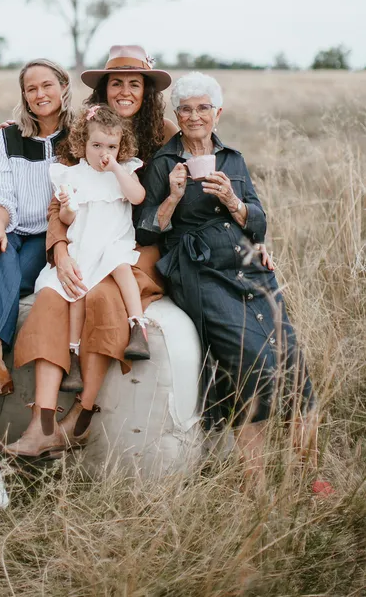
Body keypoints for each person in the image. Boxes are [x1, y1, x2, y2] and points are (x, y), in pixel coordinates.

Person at [135, 72, 315, 478]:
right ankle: (256, 481)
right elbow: (144, 228)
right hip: (200, 269)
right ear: (175, 114)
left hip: (249, 265)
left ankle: (308, 475)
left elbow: (259, 222)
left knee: (292, 361)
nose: (194, 116)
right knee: (252, 361)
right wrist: (173, 198)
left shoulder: (232, 158)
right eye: (185, 109)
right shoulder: (164, 162)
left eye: (203, 108)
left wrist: (234, 201)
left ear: (218, 112)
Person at [8, 45, 177, 458]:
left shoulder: (165, 134)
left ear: (147, 91)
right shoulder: (84, 133)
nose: (124, 91)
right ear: (102, 89)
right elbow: (61, 200)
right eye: (115, 82)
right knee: (53, 296)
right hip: (82, 240)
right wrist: (60, 250)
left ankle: (79, 419)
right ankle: (41, 423)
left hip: (138, 247)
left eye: (133, 84)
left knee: (102, 297)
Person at [0, 59, 74, 401]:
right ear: (24, 97)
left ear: (64, 87)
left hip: (50, 236)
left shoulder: (79, 136)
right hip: (12, 228)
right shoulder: (9, 136)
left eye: (47, 85)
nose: (40, 94)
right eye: (31, 89)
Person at [35, 105, 152, 399]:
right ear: (81, 144)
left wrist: (115, 167)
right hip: (85, 243)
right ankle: (73, 355)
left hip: (114, 241)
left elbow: (138, 197)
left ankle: (138, 327)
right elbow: (67, 221)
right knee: (78, 290)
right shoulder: (71, 175)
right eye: (97, 145)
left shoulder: (124, 170)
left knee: (120, 265)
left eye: (112, 147)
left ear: (120, 148)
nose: (104, 152)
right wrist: (65, 206)